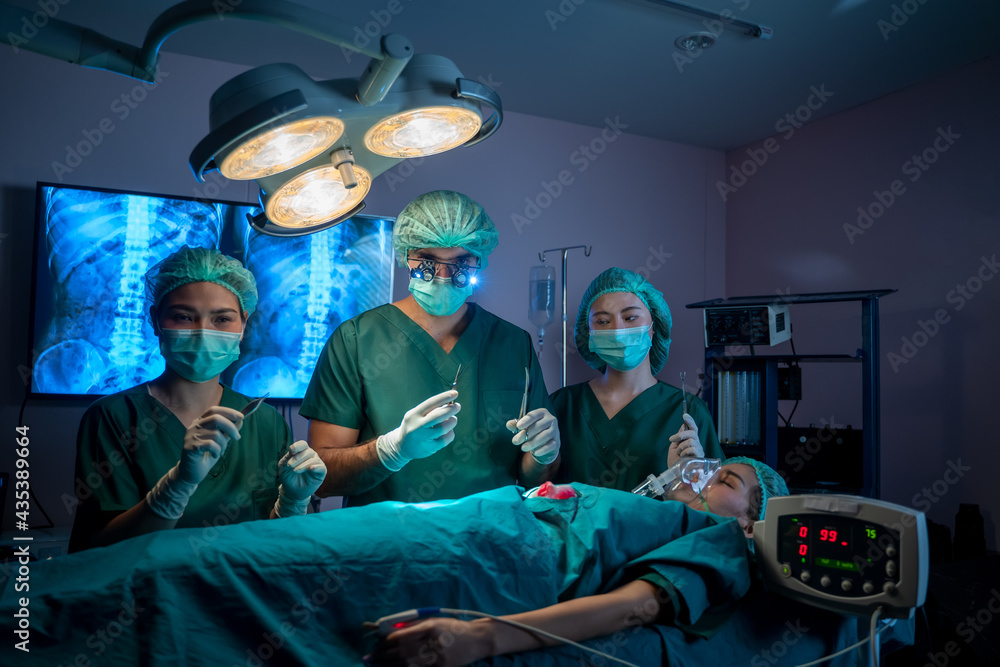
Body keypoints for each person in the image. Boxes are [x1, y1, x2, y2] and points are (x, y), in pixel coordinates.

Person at [370, 457, 788, 666]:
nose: (702, 477)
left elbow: (629, 610)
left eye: (724, 481)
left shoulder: (725, 547)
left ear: (752, 524)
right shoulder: (667, 517)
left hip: (496, 552)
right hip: (483, 519)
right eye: (712, 470)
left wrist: (480, 638)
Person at [300, 190, 560, 505]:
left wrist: (544, 455)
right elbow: (322, 479)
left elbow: (533, 479)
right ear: (406, 254)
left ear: (479, 258)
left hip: (490, 540)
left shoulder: (512, 343)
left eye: (461, 262)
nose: (443, 277)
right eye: (428, 260)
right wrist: (392, 450)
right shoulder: (355, 340)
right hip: (389, 544)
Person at [68, 246, 326, 552]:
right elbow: (97, 550)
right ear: (155, 320)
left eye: (222, 319)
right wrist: (178, 485)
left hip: (245, 595)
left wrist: (293, 504)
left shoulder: (266, 421)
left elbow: (277, 545)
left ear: (243, 324)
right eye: (183, 317)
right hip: (148, 598)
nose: (204, 332)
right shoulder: (113, 417)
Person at [552, 267, 723, 492]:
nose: (618, 331)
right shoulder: (563, 405)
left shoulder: (688, 411)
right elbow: (536, 489)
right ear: (588, 333)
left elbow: (714, 506)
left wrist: (696, 477)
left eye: (630, 317)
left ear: (654, 327)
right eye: (603, 321)